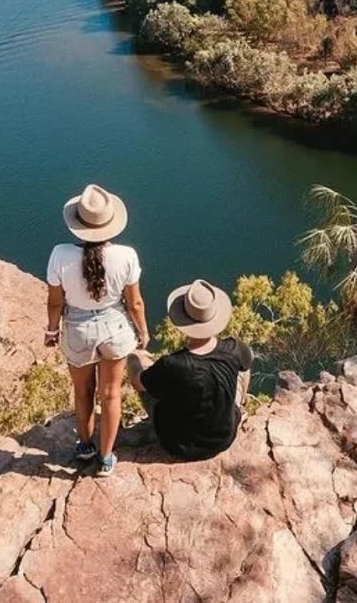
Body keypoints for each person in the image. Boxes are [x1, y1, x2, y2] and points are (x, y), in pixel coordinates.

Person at [45, 184, 149, 476]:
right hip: (115, 328)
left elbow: (55, 302)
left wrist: (53, 332)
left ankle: (86, 446)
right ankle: (106, 458)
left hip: (77, 330)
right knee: (111, 393)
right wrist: (142, 332)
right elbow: (135, 303)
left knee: (83, 391)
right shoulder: (127, 255)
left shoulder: (59, 254)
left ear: (77, 225)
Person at [128, 279, 253, 462]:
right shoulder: (234, 348)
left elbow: (136, 381)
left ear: (182, 321)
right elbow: (246, 365)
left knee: (148, 379)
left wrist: (133, 356)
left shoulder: (172, 364)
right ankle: (241, 403)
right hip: (223, 439)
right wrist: (240, 400)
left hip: (179, 445)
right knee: (243, 366)